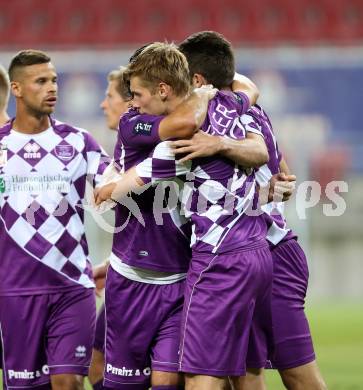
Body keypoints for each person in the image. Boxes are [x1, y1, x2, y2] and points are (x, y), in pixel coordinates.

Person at [95, 41, 274, 390]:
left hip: (187, 273)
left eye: (137, 94)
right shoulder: (136, 124)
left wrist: (114, 186)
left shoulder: (187, 136)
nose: (131, 104)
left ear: (162, 89)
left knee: (196, 376)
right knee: (234, 371)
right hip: (130, 274)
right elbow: (243, 94)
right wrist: (206, 95)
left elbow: (250, 108)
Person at [175, 31, 326, 390]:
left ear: (197, 81)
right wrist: (276, 186)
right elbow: (283, 175)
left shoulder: (233, 118)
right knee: (243, 372)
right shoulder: (246, 108)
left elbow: (279, 172)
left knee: (298, 375)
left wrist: (224, 145)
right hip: (246, 250)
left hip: (272, 250)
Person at [0, 50, 109, 390]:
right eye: (41, 81)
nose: (52, 88)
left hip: (71, 286)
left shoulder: (78, 142)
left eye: (54, 80)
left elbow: (115, 181)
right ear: (16, 89)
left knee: (68, 381)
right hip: (15, 291)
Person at [89, 67, 132, 390]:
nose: (104, 104)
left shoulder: (156, 150)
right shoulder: (122, 148)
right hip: (123, 274)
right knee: (95, 364)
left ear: (130, 104)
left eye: (109, 97)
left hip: (159, 281)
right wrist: (111, 263)